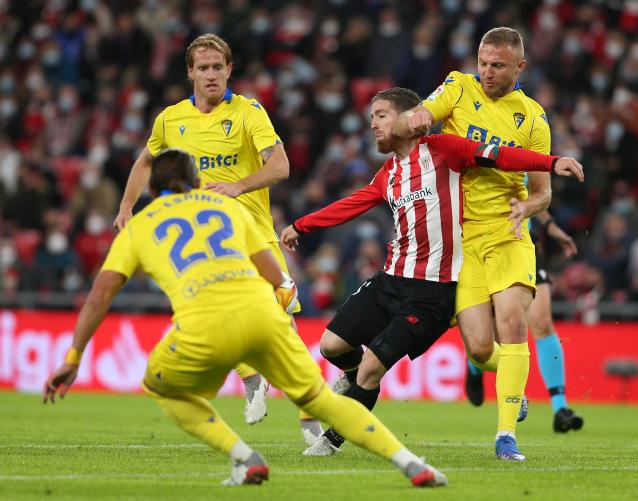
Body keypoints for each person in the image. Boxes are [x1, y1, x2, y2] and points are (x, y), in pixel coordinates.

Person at [43, 149, 448, 488]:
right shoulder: (227, 208)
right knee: (322, 401)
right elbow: (278, 277)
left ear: (152, 190)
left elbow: (100, 295)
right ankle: (412, 463)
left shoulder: (142, 225)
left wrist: (74, 357)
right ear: (196, 181)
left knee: (161, 387)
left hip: (203, 323)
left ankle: (244, 458)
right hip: (261, 314)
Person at [281, 87, 583, 456]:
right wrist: (301, 225)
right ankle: (356, 379)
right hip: (392, 278)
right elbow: (352, 204)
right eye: (371, 117)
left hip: (432, 292)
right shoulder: (388, 173)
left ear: (409, 117)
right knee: (330, 346)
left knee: (374, 368)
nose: (373, 124)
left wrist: (550, 163)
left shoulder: (446, 150)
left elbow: (499, 155)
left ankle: (333, 439)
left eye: (381, 115)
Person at [112, 33, 320, 441]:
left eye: (218, 67)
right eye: (203, 68)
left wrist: (237, 186)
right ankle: (253, 379)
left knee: (284, 327)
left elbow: (281, 165)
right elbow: (145, 161)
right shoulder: (171, 119)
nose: (211, 75)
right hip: (207, 242)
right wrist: (125, 206)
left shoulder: (248, 112)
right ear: (190, 72)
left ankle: (307, 416)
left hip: (253, 234)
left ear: (230, 70)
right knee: (217, 312)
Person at [395, 27, 565, 461]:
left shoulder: (532, 117)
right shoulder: (458, 86)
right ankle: (514, 386)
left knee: (512, 323)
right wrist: (416, 118)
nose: (487, 73)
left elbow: (542, 191)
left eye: (498, 66)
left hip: (508, 236)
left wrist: (528, 209)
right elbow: (426, 111)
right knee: (480, 348)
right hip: (460, 241)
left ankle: (505, 436)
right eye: (483, 63)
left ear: (519, 67)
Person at [464, 211, 585, 433]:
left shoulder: (528, 174)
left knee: (542, 322)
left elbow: (536, 192)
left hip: (522, 242)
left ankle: (561, 409)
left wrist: (549, 225)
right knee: (493, 330)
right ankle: (475, 366)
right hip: (482, 241)